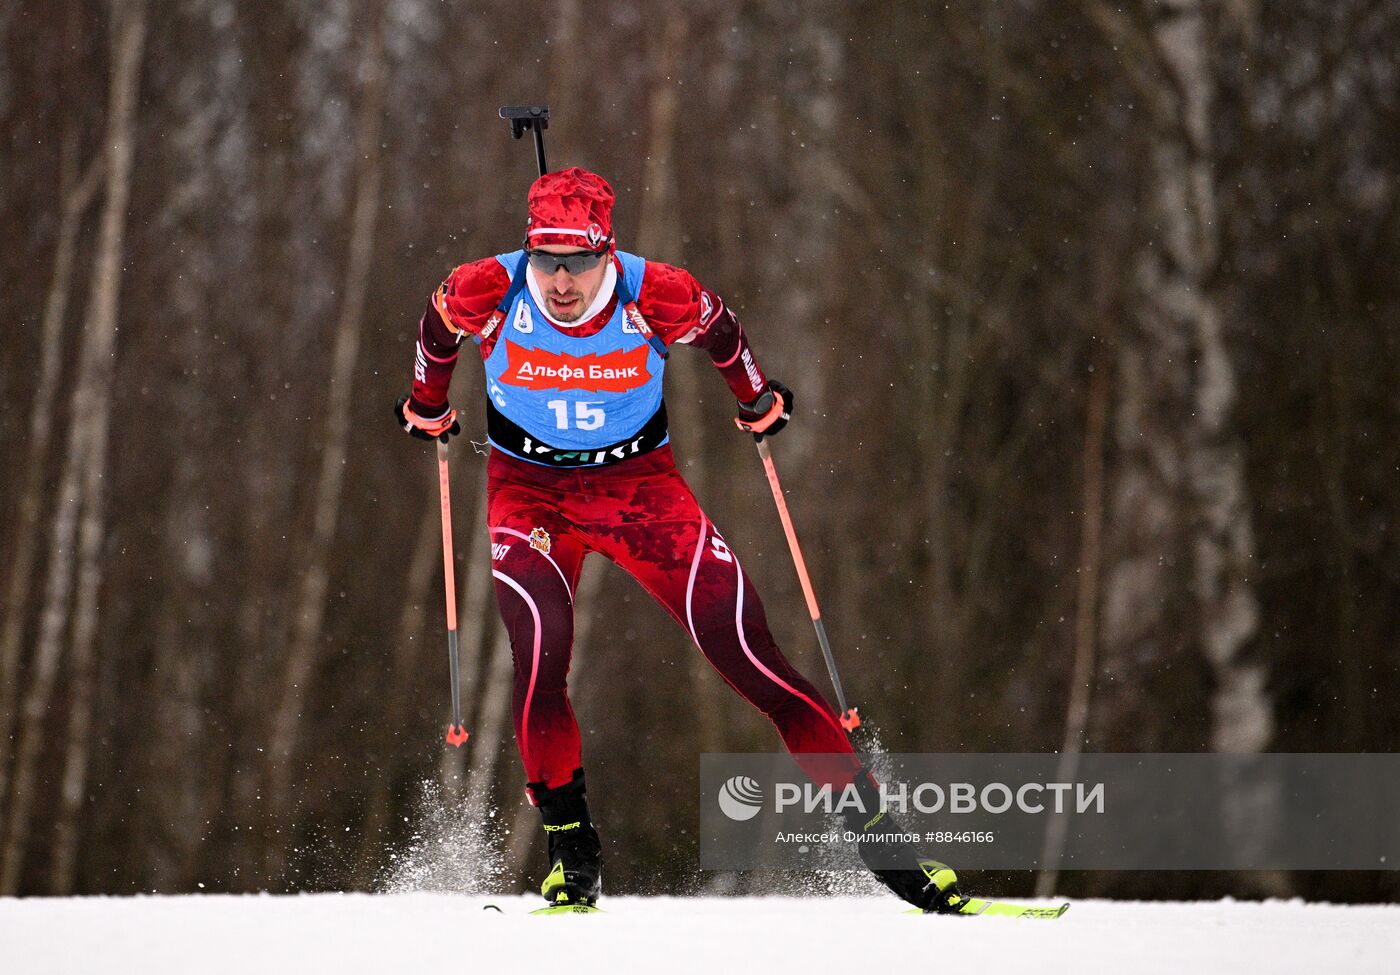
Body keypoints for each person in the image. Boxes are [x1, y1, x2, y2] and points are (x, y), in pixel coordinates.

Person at [395, 167, 961, 913]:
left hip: (640, 492)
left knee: (750, 651)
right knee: (539, 657)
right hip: (529, 496)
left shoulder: (653, 292)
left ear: (608, 252)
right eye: (547, 261)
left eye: (579, 262)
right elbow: (436, 334)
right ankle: (574, 852)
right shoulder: (488, 288)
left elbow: (725, 334)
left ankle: (885, 844)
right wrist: (426, 406)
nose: (561, 282)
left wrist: (758, 400)